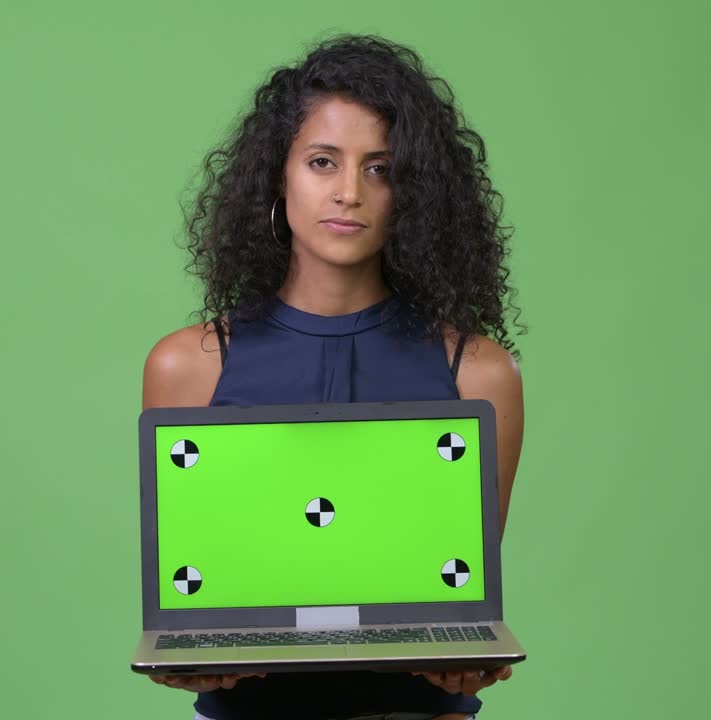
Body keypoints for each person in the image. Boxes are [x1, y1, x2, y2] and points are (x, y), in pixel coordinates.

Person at [141, 34, 526, 720]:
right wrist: (192, 658)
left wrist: (466, 660)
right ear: (277, 177)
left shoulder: (479, 373)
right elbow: (194, 597)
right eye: (323, 162)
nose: (349, 192)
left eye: (381, 169)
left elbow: (460, 594)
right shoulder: (185, 366)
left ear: (414, 193)